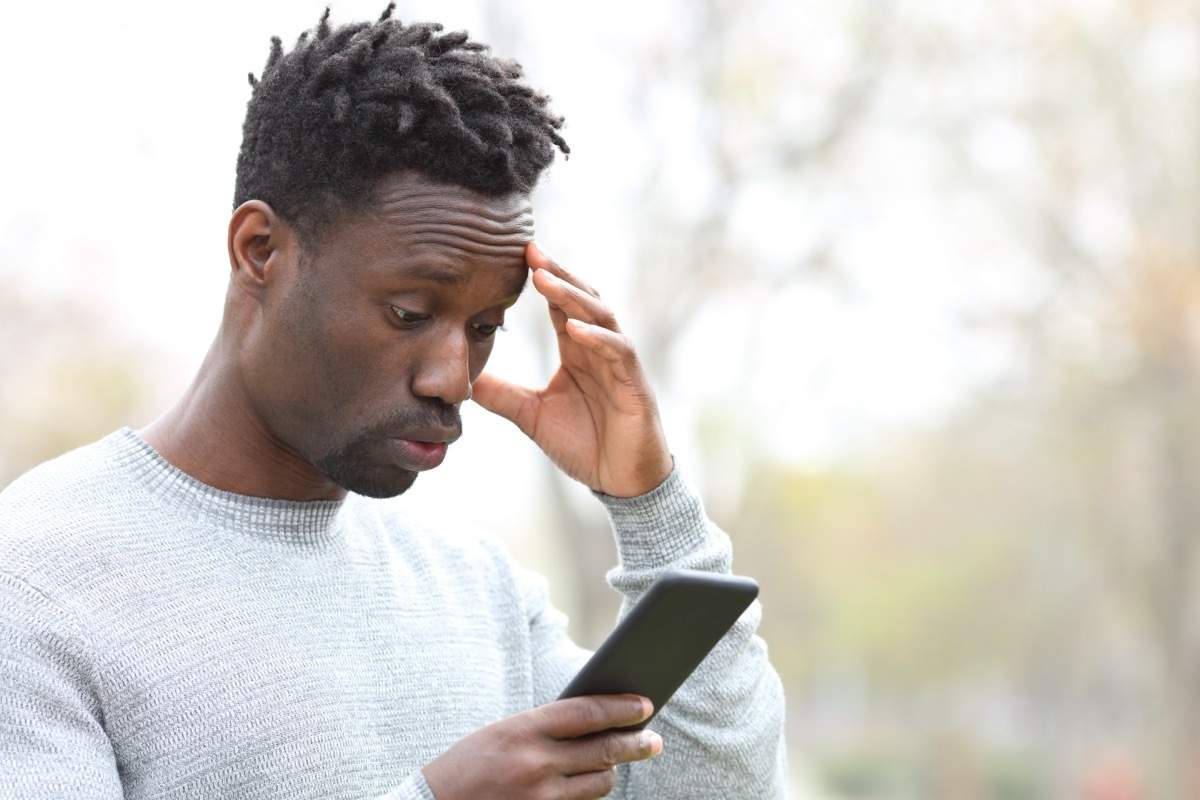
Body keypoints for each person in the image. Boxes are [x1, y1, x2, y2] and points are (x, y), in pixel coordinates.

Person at [0, 7, 786, 799]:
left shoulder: (476, 587)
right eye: (410, 314)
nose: (453, 378)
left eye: (484, 326)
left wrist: (651, 507)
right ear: (260, 251)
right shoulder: (35, 581)